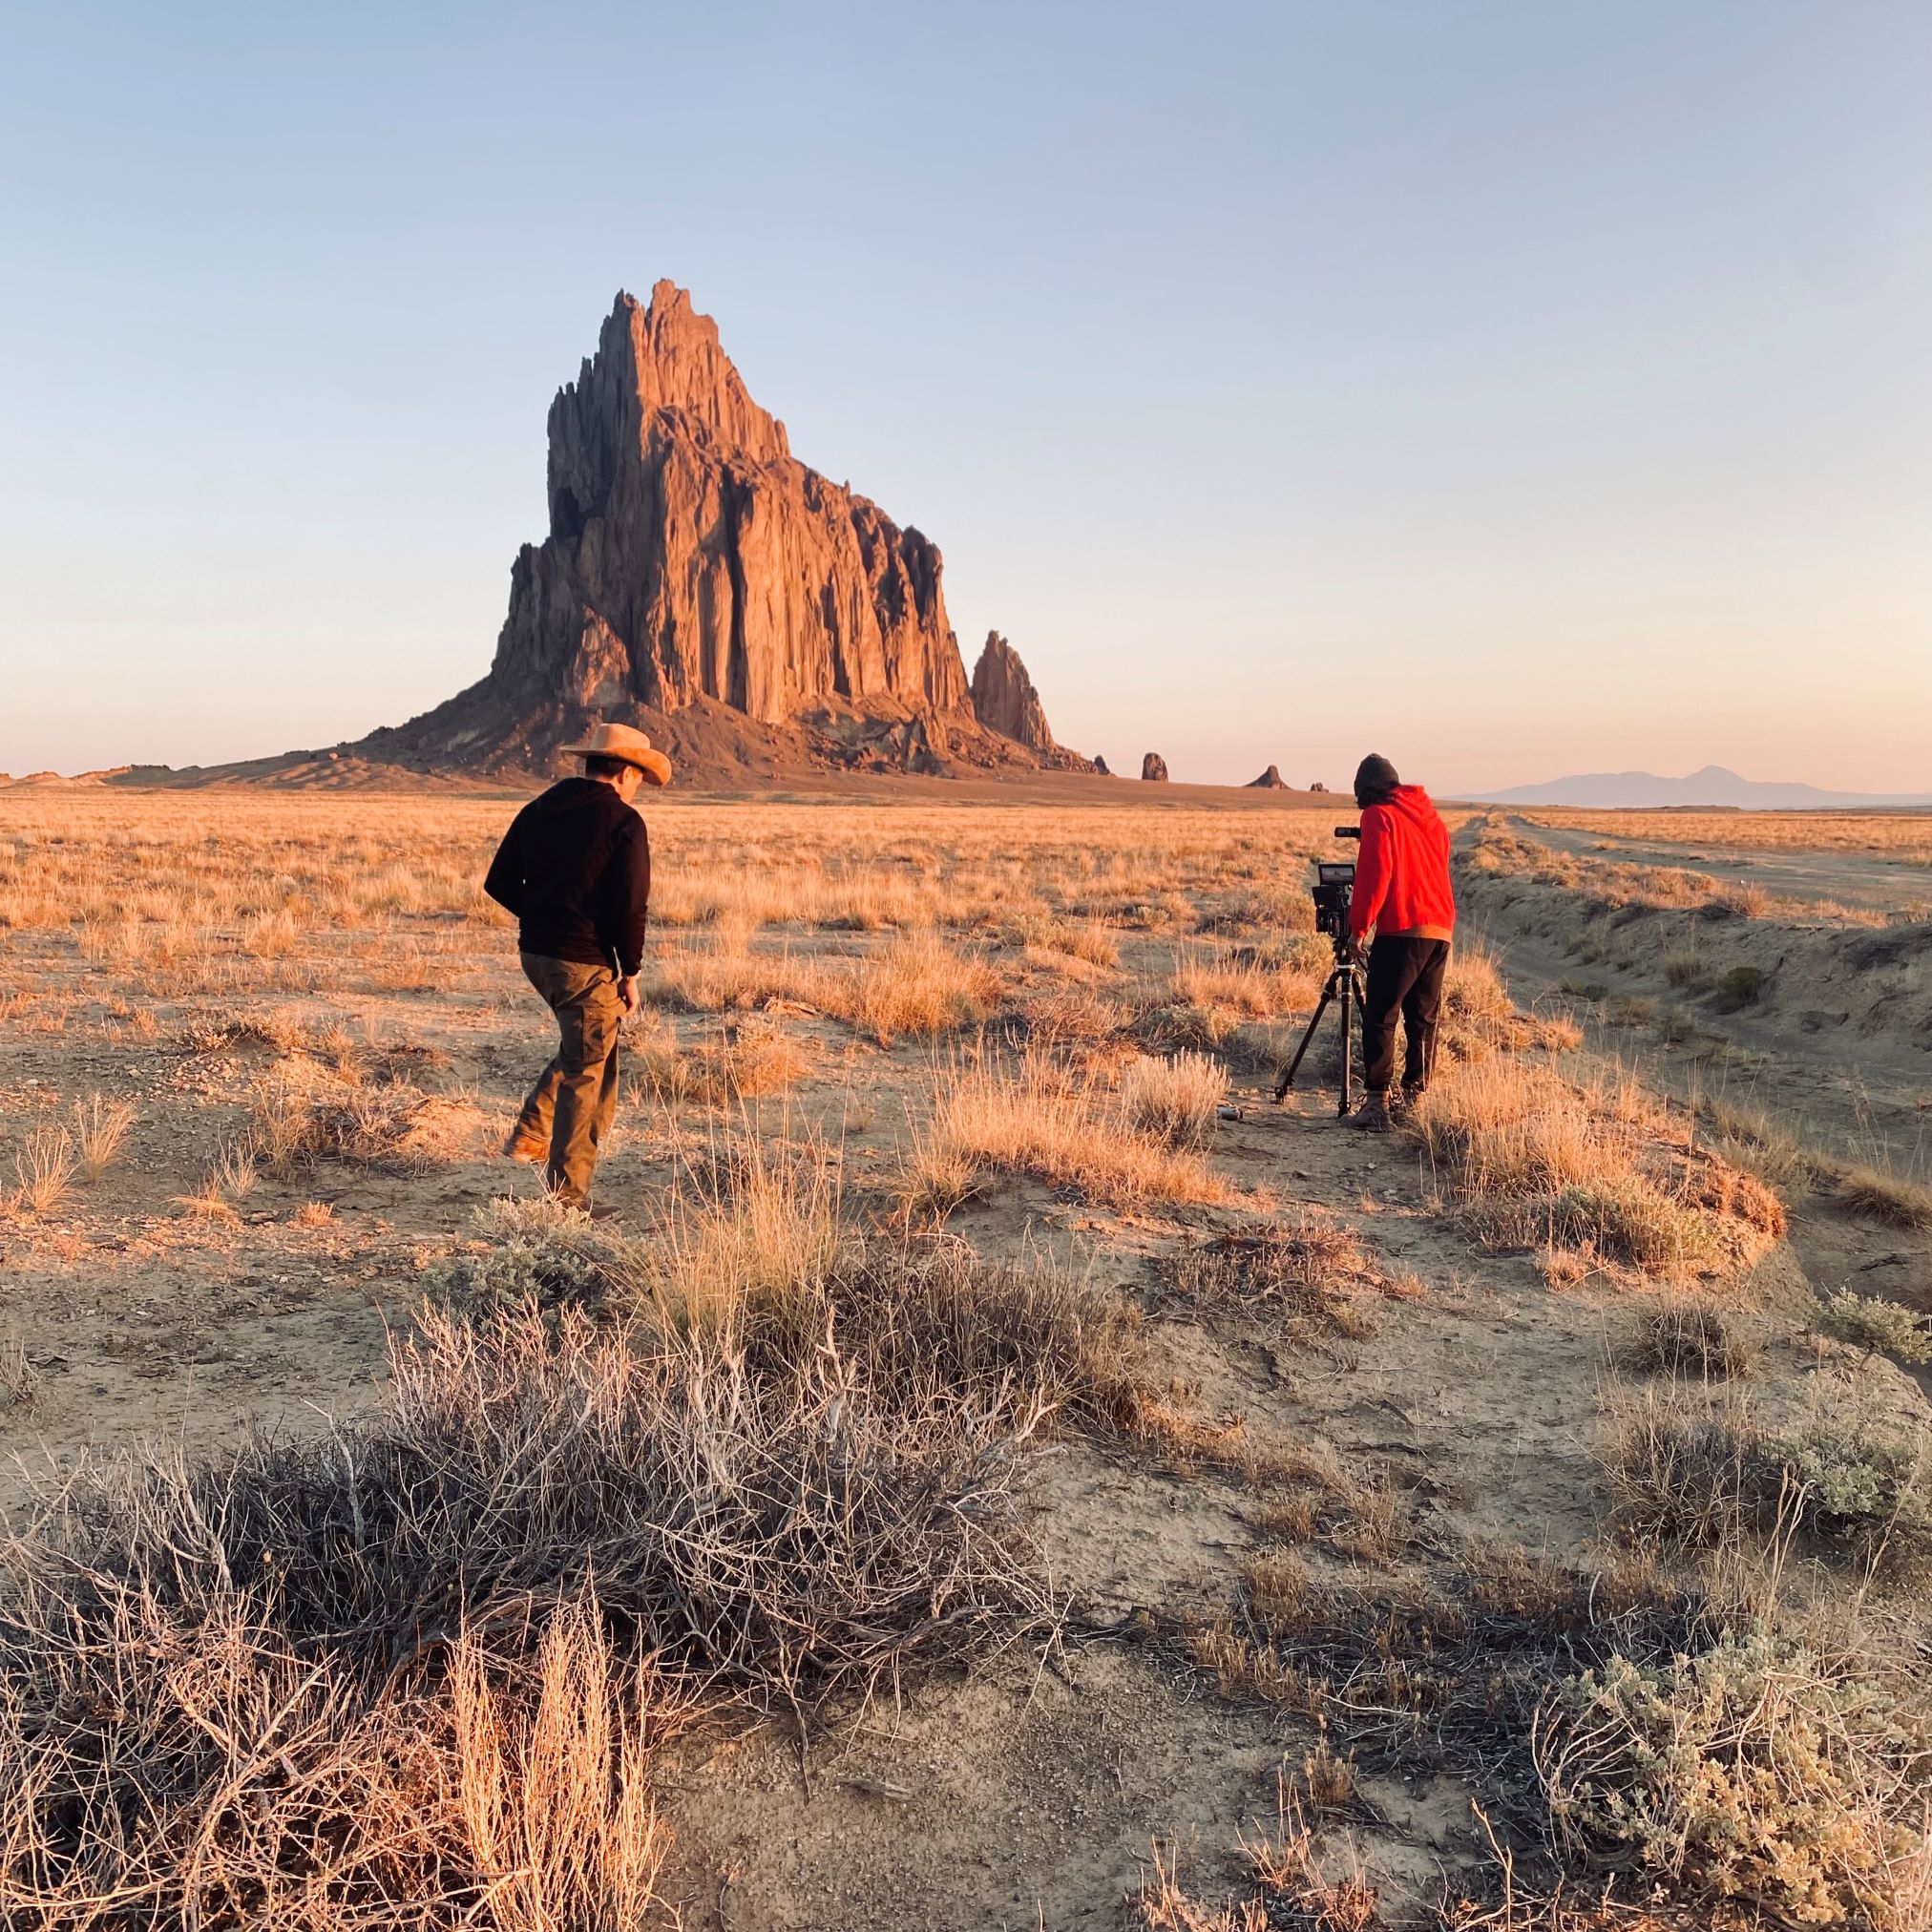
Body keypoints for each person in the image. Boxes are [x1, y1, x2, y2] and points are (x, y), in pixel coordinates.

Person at [484, 723, 672, 1210]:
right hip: (581, 961)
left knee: (591, 1041)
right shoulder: (623, 821)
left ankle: (530, 1131)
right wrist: (629, 972)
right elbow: (632, 906)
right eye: (639, 780)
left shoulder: (541, 806)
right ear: (628, 772)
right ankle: (566, 1198)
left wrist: (545, 913)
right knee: (588, 1073)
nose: (638, 790)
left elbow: (499, 881)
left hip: (536, 955)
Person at [1345, 753, 1455, 1132]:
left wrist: (1358, 927)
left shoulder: (1379, 815)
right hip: (1439, 929)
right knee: (1423, 1020)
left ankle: (1376, 1106)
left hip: (1402, 928)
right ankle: (1415, 1101)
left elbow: (1376, 873)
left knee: (1381, 1015)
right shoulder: (1433, 820)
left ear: (1366, 790)